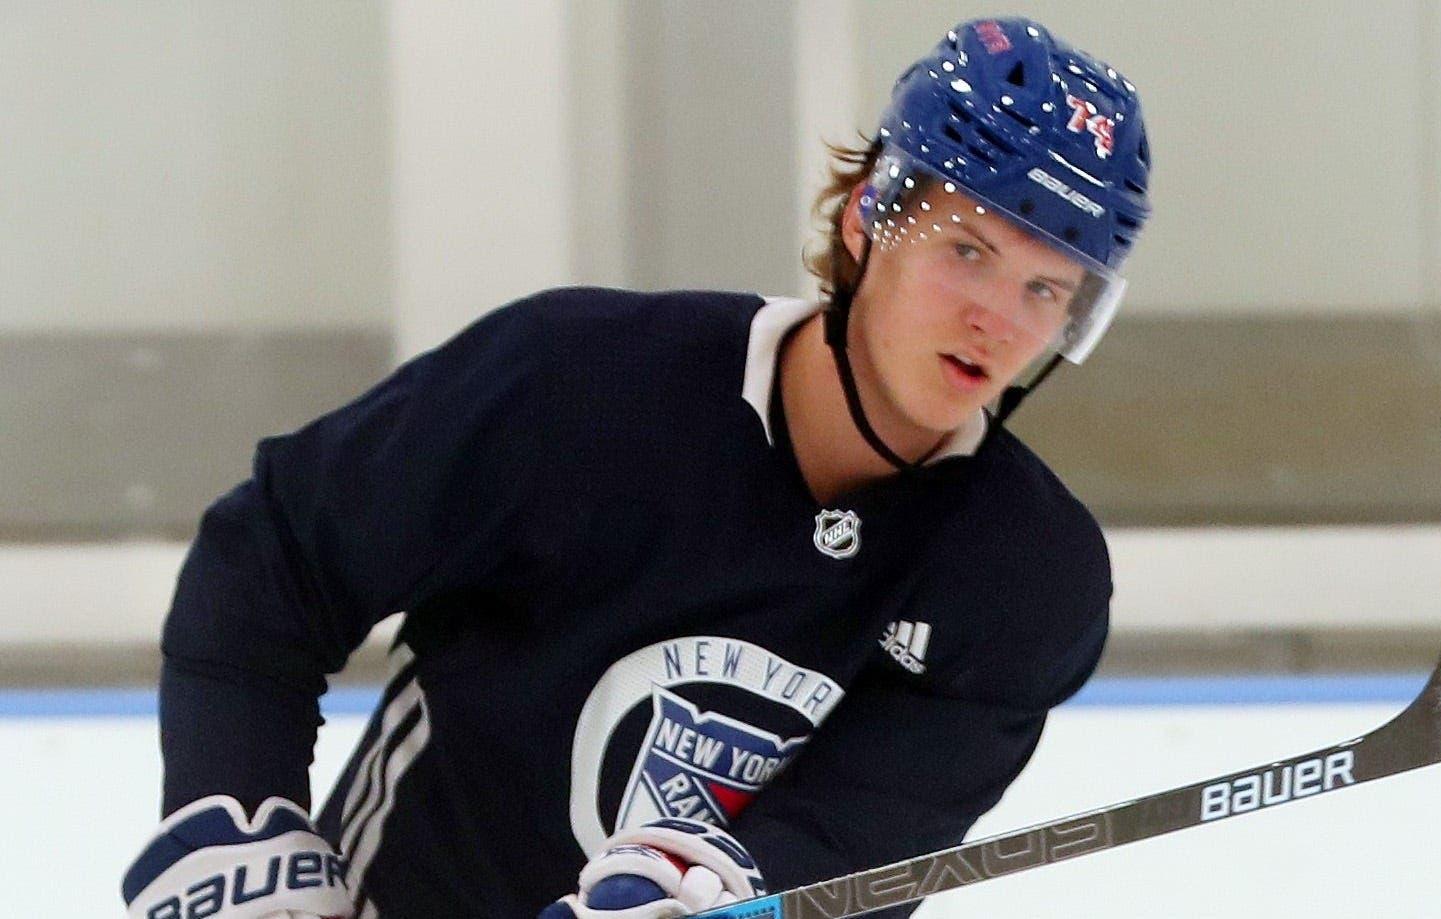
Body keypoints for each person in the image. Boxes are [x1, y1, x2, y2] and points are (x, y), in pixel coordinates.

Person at [121, 15, 1151, 919]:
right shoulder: (575, 386)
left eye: (1044, 289)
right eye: (964, 249)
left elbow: (853, 843)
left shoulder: (1025, 579)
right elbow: (275, 556)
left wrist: (722, 890)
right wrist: (237, 816)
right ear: (864, 218)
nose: (996, 317)